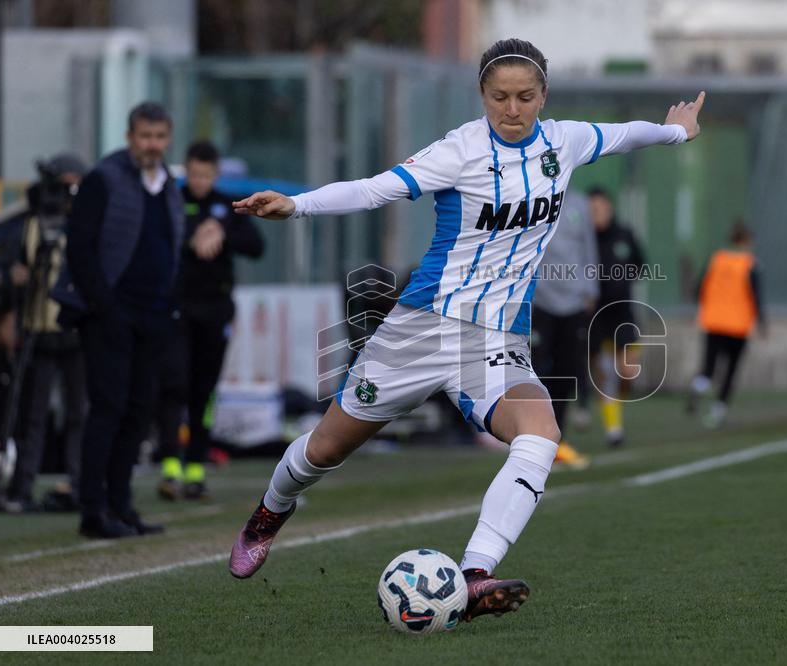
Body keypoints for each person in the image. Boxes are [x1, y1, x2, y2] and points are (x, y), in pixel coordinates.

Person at [227, 38, 704, 621]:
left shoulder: (566, 141)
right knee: (324, 449)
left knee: (541, 433)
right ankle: (272, 510)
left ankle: (476, 573)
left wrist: (675, 132)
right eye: (499, 96)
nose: (512, 108)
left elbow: (627, 132)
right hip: (421, 329)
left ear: (544, 96)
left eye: (525, 97)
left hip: (495, 342)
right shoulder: (460, 150)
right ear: (482, 95)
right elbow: (374, 189)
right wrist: (296, 206)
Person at [52, 102, 184, 539]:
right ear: (130, 137)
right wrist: (104, 307)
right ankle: (94, 509)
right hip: (109, 315)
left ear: (168, 139)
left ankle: (122, 505)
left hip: (153, 315)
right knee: (107, 409)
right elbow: (80, 249)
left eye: (159, 137)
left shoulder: (168, 185)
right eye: (145, 136)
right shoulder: (103, 179)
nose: (152, 145)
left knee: (138, 412)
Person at [156, 140, 265, 502]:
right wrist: (192, 237)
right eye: (194, 174)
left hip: (215, 311)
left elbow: (256, 245)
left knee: (204, 391)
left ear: (215, 174)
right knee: (174, 384)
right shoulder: (171, 201)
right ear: (186, 171)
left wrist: (222, 233)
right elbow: (156, 239)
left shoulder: (227, 206)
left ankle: (195, 469)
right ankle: (170, 464)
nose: (200, 181)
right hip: (177, 311)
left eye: (206, 174)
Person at [3, 154, 88, 513]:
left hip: (77, 329)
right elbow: (13, 264)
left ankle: (80, 483)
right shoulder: (33, 222)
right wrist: (14, 280)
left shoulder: (87, 220)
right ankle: (21, 488)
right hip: (38, 327)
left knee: (78, 412)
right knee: (33, 414)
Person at [530, 190, 597, 468]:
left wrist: (591, 288)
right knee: (529, 369)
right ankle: (526, 436)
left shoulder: (579, 204)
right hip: (540, 300)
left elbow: (588, 248)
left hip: (573, 302)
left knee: (566, 371)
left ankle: (556, 439)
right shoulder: (532, 195)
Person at [687, 221, 765, 428]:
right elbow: (756, 296)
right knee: (730, 371)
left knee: (708, 366)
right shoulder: (749, 264)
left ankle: (698, 388)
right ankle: (717, 412)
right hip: (737, 325)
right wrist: (762, 322)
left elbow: (699, 287)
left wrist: (701, 307)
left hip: (713, 320)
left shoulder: (717, 259)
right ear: (747, 240)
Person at [586, 186, 648, 447]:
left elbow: (640, 265)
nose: (595, 214)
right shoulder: (584, 239)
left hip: (622, 312)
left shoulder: (625, 235)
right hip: (594, 316)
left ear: (609, 208)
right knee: (603, 375)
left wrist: (621, 283)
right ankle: (614, 430)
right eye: (591, 210)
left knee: (628, 372)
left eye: (599, 208)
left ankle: (616, 408)